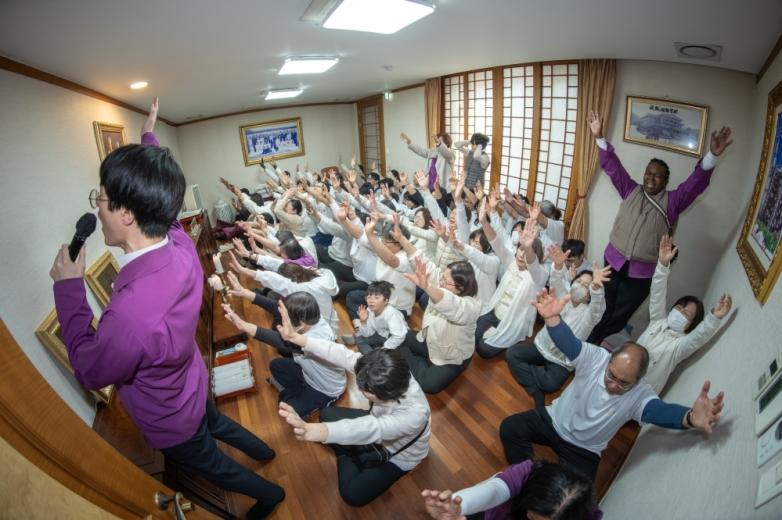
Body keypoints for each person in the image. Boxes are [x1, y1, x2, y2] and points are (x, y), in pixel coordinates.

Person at [49, 98, 284, 518]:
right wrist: (148, 138)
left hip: (172, 416)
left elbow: (90, 371)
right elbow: (165, 203)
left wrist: (68, 290)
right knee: (218, 424)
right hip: (192, 381)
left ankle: (271, 495)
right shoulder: (177, 242)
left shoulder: (131, 316)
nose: (97, 206)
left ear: (126, 213)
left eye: (100, 198)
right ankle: (264, 451)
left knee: (216, 466)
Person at [499, 288, 726, 481]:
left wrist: (689, 417)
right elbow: (570, 344)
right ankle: (529, 477)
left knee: (577, 495)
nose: (614, 384)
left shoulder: (641, 394)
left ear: (638, 381)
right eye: (611, 375)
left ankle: (537, 482)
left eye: (623, 383)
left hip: (583, 450)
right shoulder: (596, 357)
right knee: (510, 428)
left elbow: (660, 412)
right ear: (610, 360)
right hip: (553, 421)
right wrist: (552, 319)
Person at [585, 110, 734, 344]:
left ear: (666, 181)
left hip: (641, 274)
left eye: (657, 176)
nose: (651, 178)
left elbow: (694, 185)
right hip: (612, 261)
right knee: (601, 305)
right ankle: (587, 339)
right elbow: (612, 166)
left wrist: (712, 156)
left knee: (618, 316)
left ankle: (594, 342)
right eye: (648, 173)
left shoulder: (674, 202)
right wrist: (599, 136)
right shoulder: (630, 189)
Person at [275, 301, 431, 507]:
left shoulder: (414, 414)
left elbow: (371, 428)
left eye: (365, 391)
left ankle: (346, 450)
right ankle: (349, 448)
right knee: (327, 414)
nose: (360, 390)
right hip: (375, 426)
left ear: (384, 394)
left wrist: (311, 430)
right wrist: (297, 338)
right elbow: (341, 354)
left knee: (352, 494)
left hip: (399, 455)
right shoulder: (389, 372)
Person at [505, 245, 609, 407]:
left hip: (562, 361)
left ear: (589, 295)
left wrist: (596, 288)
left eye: (585, 286)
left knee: (550, 385)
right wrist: (559, 266)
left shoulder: (589, 316)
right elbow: (556, 281)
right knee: (512, 353)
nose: (579, 285)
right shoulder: (563, 296)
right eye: (579, 281)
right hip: (541, 347)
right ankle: (535, 389)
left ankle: (532, 376)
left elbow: (597, 307)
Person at [222, 292, 345, 418]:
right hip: (309, 374)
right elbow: (275, 307)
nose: (283, 323)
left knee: (285, 407)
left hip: (325, 390)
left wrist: (244, 326)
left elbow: (278, 340)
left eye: (286, 321)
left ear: (301, 323)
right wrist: (244, 292)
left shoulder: (315, 339)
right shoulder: (311, 317)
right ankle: (298, 392)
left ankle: (308, 398)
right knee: (276, 365)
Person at [638, 235, 734, 394]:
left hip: (638, 395)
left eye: (687, 313)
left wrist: (714, 317)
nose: (680, 311)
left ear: (690, 324)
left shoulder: (679, 347)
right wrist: (662, 265)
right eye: (679, 307)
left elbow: (698, 337)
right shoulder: (657, 321)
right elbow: (657, 293)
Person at [422, 459, 602, 520]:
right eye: (531, 513)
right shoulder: (531, 470)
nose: (529, 515)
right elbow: (496, 490)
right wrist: (459, 505)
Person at [349, 280, 408, 355]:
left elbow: (399, 336)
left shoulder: (392, 314)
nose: (371, 301)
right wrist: (363, 322)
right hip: (381, 335)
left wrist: (385, 348)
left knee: (396, 354)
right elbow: (368, 334)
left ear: (386, 301)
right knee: (360, 340)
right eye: (369, 297)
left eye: (376, 298)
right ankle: (373, 358)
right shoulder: (369, 310)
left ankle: (376, 355)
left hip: (396, 339)